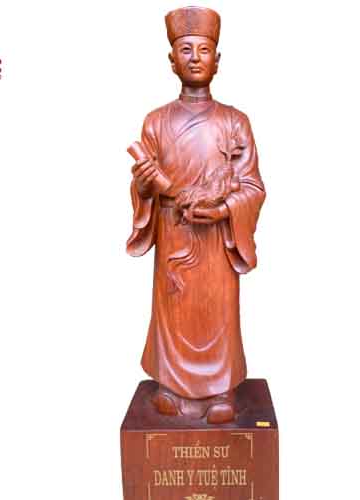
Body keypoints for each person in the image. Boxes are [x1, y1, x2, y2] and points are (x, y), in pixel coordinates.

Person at [127, 6, 265, 424]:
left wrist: (223, 209)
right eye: (185, 49)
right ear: (172, 60)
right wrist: (145, 187)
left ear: (217, 60)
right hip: (174, 235)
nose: (194, 57)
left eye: (203, 50)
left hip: (217, 241)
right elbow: (143, 189)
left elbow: (253, 187)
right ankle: (171, 386)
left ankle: (221, 390)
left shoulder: (235, 122)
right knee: (175, 311)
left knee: (217, 313)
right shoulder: (156, 122)